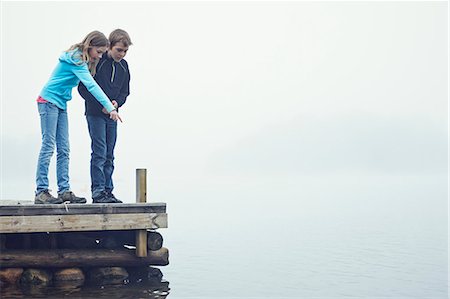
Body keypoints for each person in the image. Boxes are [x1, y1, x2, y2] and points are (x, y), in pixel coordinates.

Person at [35, 31, 122, 204]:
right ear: (90, 46)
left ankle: (64, 191)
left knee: (64, 149)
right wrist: (110, 107)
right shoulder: (75, 60)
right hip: (47, 101)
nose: (99, 56)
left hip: (60, 104)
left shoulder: (84, 61)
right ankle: (41, 191)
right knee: (48, 145)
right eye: (98, 52)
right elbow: (91, 85)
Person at [78, 29, 132, 204]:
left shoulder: (124, 66)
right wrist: (101, 105)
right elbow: (83, 88)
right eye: (118, 50)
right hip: (95, 114)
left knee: (110, 154)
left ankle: (108, 191)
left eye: (125, 51)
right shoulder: (98, 62)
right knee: (99, 152)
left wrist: (117, 104)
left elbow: (125, 92)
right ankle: (98, 192)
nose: (122, 54)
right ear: (109, 46)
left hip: (112, 116)